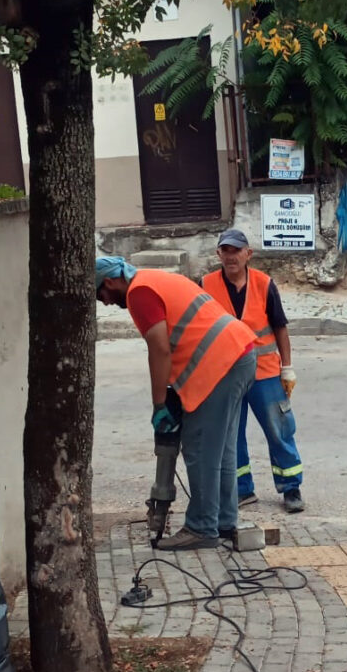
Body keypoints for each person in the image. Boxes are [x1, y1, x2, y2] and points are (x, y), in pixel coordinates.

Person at [95, 255, 257, 549]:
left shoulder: (138, 293)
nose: (104, 302)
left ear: (109, 281)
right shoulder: (155, 278)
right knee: (221, 449)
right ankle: (223, 521)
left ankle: (202, 528)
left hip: (221, 364)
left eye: (101, 294)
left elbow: (159, 349)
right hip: (240, 355)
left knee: (200, 447)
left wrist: (159, 405)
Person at [201, 229, 305, 513]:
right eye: (226, 250)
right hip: (226, 374)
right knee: (231, 434)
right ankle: (242, 490)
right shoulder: (206, 285)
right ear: (218, 254)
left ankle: (291, 487)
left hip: (265, 373)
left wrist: (288, 367)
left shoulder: (264, 284)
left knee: (279, 428)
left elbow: (280, 327)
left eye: (236, 250)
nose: (231, 256)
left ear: (248, 254)